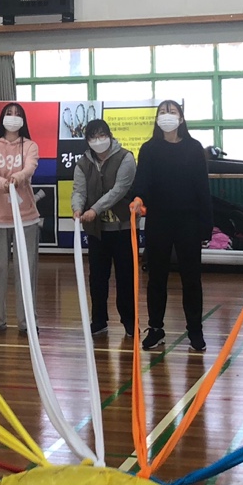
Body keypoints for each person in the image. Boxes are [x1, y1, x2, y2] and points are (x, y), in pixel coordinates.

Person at [131, 100, 212, 354]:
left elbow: (203, 189)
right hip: (159, 220)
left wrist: (205, 226)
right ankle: (156, 328)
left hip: (188, 221)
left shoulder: (194, 148)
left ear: (181, 118)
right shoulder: (149, 149)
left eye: (172, 111)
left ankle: (195, 329)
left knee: (191, 278)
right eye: (163, 112)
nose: (167, 116)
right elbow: (141, 181)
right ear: (157, 119)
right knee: (156, 277)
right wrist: (137, 198)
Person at [70, 118, 137, 339]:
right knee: (97, 278)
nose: (98, 141)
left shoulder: (125, 157)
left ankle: (129, 321)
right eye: (93, 137)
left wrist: (95, 209)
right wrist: (78, 208)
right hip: (97, 231)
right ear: (87, 141)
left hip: (122, 229)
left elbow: (119, 190)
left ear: (109, 135)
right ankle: (98, 320)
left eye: (102, 135)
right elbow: (79, 190)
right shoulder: (83, 163)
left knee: (125, 278)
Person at [0, 102, 41, 335]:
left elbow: (29, 168)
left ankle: (28, 320)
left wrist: (18, 178)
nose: (13, 118)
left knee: (27, 269)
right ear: (2, 118)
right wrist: (2, 184)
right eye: (9, 113)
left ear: (23, 120)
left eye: (17, 114)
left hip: (26, 217)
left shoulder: (30, 146)